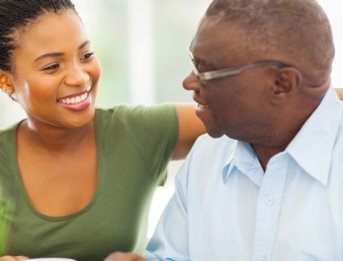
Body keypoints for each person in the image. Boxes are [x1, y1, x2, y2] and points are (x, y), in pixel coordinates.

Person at [0, 0, 206, 261]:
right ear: (4, 80)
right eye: (52, 66)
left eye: (86, 55)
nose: (80, 77)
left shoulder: (138, 132)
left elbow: (235, 116)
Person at [104, 0, 343, 260]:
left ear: (281, 84)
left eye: (206, 70)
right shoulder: (206, 155)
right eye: (193, 62)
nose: (188, 82)